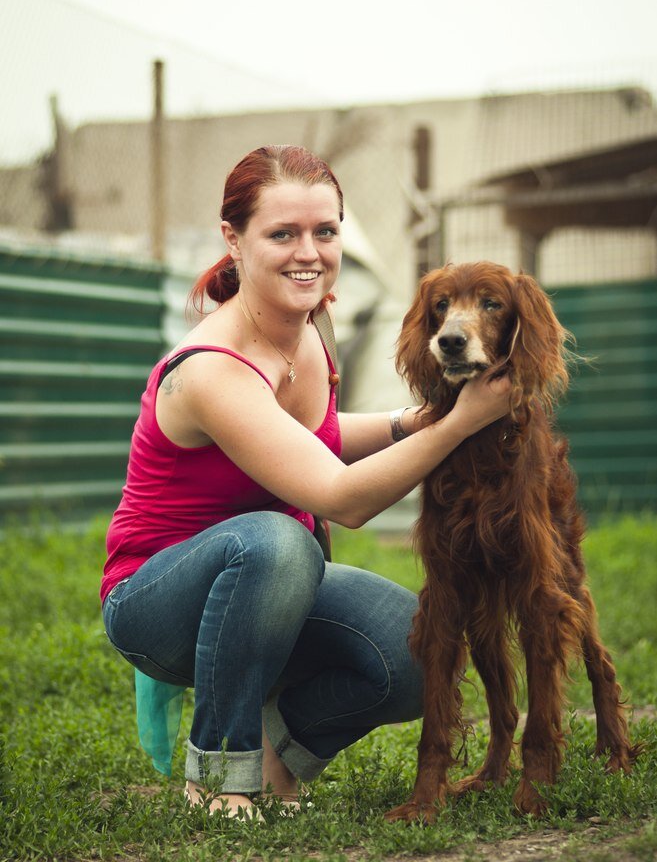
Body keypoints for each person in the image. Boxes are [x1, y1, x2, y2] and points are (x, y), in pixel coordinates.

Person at [101, 144, 511, 821]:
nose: (309, 252)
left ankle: (274, 756)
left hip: (269, 589)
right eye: (282, 234)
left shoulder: (304, 335)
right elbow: (342, 498)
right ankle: (218, 781)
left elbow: (313, 440)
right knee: (275, 540)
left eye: (325, 231)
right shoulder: (212, 369)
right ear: (233, 239)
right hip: (157, 603)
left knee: (417, 648)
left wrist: (418, 419)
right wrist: (459, 424)